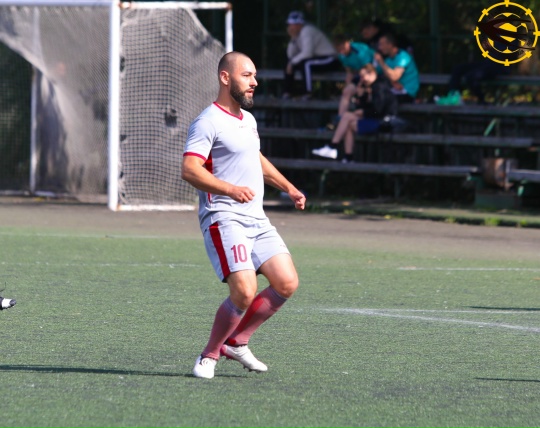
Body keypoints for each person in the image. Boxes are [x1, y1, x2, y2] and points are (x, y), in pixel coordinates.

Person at [182, 51, 306, 380]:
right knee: (244, 291)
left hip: (256, 218)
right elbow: (190, 169)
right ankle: (209, 355)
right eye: (247, 75)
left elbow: (255, 157)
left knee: (287, 282)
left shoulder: (247, 120)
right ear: (226, 78)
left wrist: (289, 188)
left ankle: (237, 342)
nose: (254, 82)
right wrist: (229, 189)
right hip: (224, 217)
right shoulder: (207, 121)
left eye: (254, 76)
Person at [312, 64, 397, 163]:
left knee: (347, 116)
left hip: (384, 122)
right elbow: (366, 107)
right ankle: (348, 157)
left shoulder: (379, 87)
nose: (362, 79)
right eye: (361, 76)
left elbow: (378, 110)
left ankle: (332, 146)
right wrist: (361, 96)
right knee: (348, 123)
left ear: (372, 73)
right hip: (375, 120)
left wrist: (363, 112)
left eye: (363, 76)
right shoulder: (369, 87)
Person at [283, 11, 341, 99]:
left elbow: (308, 53)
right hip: (316, 59)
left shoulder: (307, 31)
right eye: (289, 24)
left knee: (306, 63)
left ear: (299, 24)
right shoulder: (297, 35)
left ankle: (308, 93)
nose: (290, 27)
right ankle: (287, 92)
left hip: (330, 59)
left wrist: (292, 62)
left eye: (292, 24)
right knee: (289, 63)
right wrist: (293, 38)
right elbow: (290, 55)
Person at [333, 35, 375, 117]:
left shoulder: (359, 51)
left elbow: (371, 71)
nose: (342, 52)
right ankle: (340, 117)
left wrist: (363, 84)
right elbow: (349, 72)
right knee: (347, 91)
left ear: (347, 43)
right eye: (339, 50)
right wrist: (348, 85)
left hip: (373, 74)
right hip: (361, 76)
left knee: (364, 92)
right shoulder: (341, 55)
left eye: (343, 48)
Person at [374, 33, 419, 104]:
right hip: (394, 91)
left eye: (381, 44)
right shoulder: (389, 60)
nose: (379, 48)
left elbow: (394, 77)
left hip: (407, 92)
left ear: (390, 45)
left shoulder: (403, 56)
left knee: (383, 98)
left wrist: (381, 62)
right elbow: (375, 73)